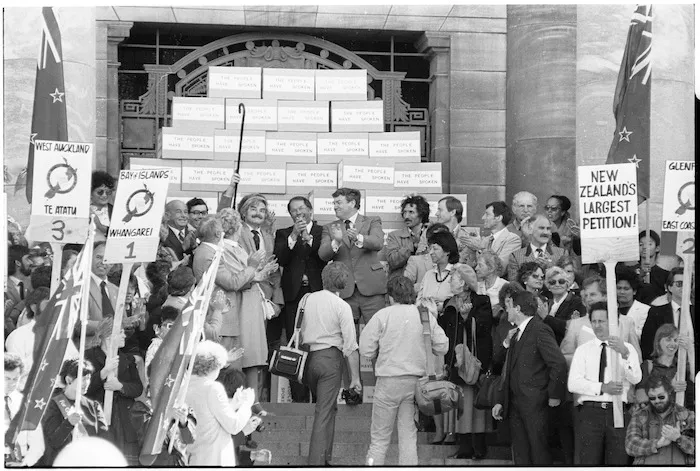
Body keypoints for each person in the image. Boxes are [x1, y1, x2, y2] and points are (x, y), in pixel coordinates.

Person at [359, 276, 448, 465]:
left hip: (387, 381)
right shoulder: (424, 315)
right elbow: (443, 347)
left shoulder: (382, 316)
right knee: (408, 436)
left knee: (379, 440)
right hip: (415, 384)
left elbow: (366, 350)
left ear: (391, 296)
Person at [194, 211, 277, 397]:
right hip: (221, 317)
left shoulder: (211, 251)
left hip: (227, 317)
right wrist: (253, 266)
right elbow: (232, 283)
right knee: (225, 374)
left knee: (231, 371)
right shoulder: (210, 253)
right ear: (217, 234)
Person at [491, 290, 567, 465]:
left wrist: (554, 395)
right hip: (515, 405)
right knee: (521, 455)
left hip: (536, 405)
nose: (506, 310)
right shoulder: (516, 333)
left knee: (539, 454)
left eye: (509, 306)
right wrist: (501, 400)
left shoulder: (540, 329)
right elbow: (507, 369)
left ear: (517, 308)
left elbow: (558, 364)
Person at [299, 262, 362, 465]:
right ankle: (316, 462)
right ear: (343, 283)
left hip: (309, 360)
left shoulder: (307, 299)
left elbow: (298, 331)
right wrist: (355, 379)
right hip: (330, 361)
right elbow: (350, 346)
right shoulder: (342, 306)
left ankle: (325, 458)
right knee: (324, 411)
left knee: (328, 409)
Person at [567, 301, 642, 465]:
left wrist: (625, 354)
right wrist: (602, 387)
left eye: (602, 321)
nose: (597, 326)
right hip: (590, 412)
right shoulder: (583, 350)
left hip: (617, 411)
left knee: (617, 461)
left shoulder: (627, 348)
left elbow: (636, 378)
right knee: (588, 462)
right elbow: (573, 383)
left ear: (613, 322)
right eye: (593, 321)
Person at [273, 196, 326, 402]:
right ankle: (299, 398)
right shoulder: (283, 233)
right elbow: (281, 258)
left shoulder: (323, 232)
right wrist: (294, 235)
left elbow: (321, 255)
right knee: (295, 345)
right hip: (294, 296)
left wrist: (307, 236)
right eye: (294, 210)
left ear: (311, 210)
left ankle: (319, 395)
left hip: (317, 293)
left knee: (317, 344)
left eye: (302, 208)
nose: (298, 213)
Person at [441, 266, 493, 459]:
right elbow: (445, 333)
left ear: (462, 282)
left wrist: (466, 317)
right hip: (455, 360)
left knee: (476, 406)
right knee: (461, 403)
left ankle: (479, 448)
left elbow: (484, 328)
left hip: (475, 360)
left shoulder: (482, 301)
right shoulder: (448, 303)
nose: (449, 282)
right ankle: (464, 448)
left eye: (452, 279)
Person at [318, 187, 387, 324]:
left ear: (352, 203)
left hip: (372, 288)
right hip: (344, 289)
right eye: (334, 203)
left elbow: (378, 242)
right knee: (346, 335)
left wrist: (359, 238)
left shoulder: (372, 221)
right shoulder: (329, 227)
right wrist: (336, 241)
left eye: (338, 202)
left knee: (377, 332)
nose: (335, 206)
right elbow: (323, 255)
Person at [185, 340, 259, 466]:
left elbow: (209, 417)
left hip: (195, 456)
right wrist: (247, 404)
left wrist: (234, 404)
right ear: (214, 366)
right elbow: (234, 426)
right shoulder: (213, 388)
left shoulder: (186, 387)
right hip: (215, 457)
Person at [84, 318, 144, 465]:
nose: (125, 335)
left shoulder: (128, 359)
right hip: (99, 420)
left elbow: (138, 388)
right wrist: (103, 373)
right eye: (121, 332)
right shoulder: (88, 356)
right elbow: (82, 388)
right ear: (108, 336)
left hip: (124, 421)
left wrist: (120, 386)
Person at [236, 193, 284, 358]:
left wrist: (278, 301)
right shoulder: (236, 233)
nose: (258, 213)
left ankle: (257, 384)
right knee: (242, 349)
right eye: (253, 208)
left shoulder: (269, 237)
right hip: (241, 296)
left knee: (259, 351)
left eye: (263, 210)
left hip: (265, 301)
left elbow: (275, 271)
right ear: (243, 212)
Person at [40, 358, 110, 465]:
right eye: (82, 379)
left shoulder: (94, 406)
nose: (86, 383)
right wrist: (68, 424)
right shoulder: (52, 405)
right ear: (69, 380)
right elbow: (53, 441)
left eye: (88, 378)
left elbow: (104, 437)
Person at [625, 375, 695, 465]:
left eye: (661, 397)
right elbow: (630, 445)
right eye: (652, 398)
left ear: (669, 393)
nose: (657, 401)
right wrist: (657, 444)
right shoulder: (640, 415)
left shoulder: (687, 415)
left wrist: (678, 438)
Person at [635, 324, 695, 410]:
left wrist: (691, 351)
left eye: (675, 340)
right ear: (658, 342)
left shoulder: (682, 367)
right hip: (655, 421)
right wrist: (670, 387)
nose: (673, 344)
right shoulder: (648, 366)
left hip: (678, 419)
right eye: (668, 339)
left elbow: (695, 381)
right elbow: (641, 398)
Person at [641, 267, 695, 361]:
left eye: (688, 284)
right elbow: (647, 344)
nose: (684, 287)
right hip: (663, 369)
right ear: (669, 287)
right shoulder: (656, 312)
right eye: (679, 284)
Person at [4, 354, 44, 467]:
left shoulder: (26, 403)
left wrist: (25, 463)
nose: (11, 383)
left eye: (15, 379)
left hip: (20, 463)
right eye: (6, 378)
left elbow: (37, 444)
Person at [78, 241, 118, 349]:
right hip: (87, 351)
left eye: (107, 260)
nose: (103, 262)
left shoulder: (116, 290)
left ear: (113, 264)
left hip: (112, 351)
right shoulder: (79, 286)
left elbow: (120, 324)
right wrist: (102, 325)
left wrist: (129, 323)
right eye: (99, 257)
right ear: (89, 257)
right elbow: (76, 323)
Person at [507, 213, 566, 282]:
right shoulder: (516, 256)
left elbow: (566, 280)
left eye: (548, 229)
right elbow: (514, 285)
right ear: (530, 229)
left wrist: (549, 268)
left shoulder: (561, 253)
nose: (546, 232)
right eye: (541, 228)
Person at [384, 195, 431, 279]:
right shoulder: (394, 236)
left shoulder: (431, 234)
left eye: (411, 212)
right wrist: (411, 246)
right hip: (402, 286)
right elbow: (392, 261)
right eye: (405, 212)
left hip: (426, 283)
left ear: (421, 214)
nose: (406, 216)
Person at [544, 266, 586, 345]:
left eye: (561, 281)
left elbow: (568, 328)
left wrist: (546, 318)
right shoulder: (546, 303)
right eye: (552, 282)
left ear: (567, 284)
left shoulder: (577, 302)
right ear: (548, 286)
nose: (557, 284)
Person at [403, 223, 449, 292]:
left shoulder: (455, 262)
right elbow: (404, 289)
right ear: (428, 241)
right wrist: (422, 286)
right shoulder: (415, 261)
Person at [480, 201, 522, 274]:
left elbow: (501, 268)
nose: (483, 217)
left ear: (499, 218)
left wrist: (481, 248)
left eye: (487, 214)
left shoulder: (513, 239)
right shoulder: (485, 240)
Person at [435, 195, 477, 267]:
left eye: (440, 210)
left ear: (452, 212)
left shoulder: (468, 237)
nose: (436, 213)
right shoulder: (431, 234)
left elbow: (472, 265)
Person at [634, 230, 672, 305]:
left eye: (649, 244)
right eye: (641, 244)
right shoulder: (630, 272)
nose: (644, 247)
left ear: (657, 248)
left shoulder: (665, 275)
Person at [615, 264, 650, 340]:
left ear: (634, 291)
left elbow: (643, 335)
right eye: (619, 288)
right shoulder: (610, 309)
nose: (622, 292)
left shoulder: (645, 310)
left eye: (626, 289)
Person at [144, 306, 179, 372]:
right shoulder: (156, 346)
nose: (173, 330)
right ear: (156, 328)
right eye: (170, 326)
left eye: (176, 326)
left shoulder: (172, 344)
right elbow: (150, 372)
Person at [475, 250, 508, 318]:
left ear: (491, 268)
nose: (476, 268)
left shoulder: (505, 286)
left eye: (480, 265)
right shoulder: (476, 287)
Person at [90, 170, 116, 241]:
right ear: (91, 193)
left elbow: (119, 234)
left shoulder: (115, 211)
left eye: (108, 192)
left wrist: (100, 226)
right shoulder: (84, 211)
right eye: (100, 192)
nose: (104, 195)